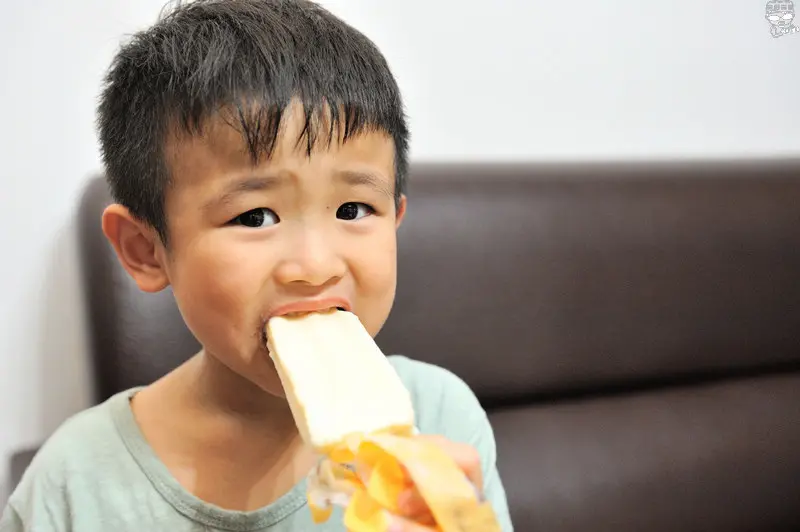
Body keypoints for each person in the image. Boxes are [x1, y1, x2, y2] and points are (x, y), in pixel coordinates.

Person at [1, 1, 513, 530]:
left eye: (353, 210)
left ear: (396, 217)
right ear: (146, 250)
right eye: (255, 216)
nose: (315, 266)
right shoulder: (71, 487)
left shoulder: (440, 418)